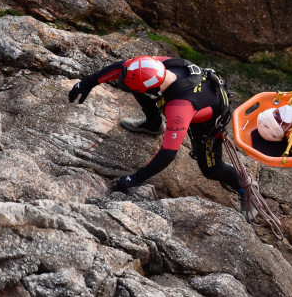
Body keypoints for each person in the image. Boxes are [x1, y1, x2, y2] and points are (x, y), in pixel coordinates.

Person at [68, 55, 257, 220]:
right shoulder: (157, 67)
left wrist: (134, 179)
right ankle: (153, 124)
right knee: (135, 84)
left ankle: (246, 187)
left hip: (208, 119)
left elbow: (167, 153)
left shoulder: (179, 107)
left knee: (211, 169)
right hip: (197, 94)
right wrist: (87, 83)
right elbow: (124, 68)